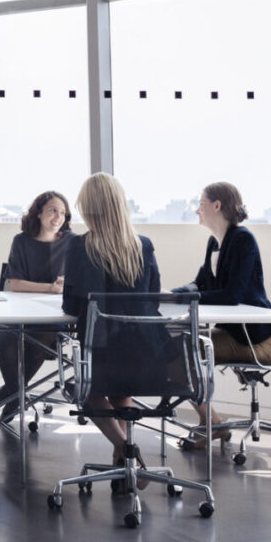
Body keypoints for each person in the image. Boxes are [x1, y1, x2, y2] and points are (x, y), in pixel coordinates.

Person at [61, 173, 164, 473]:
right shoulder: (143, 245)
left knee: (90, 392)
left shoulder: (80, 246)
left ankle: (124, 449)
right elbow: (153, 298)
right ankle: (125, 468)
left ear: (90, 209)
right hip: (145, 352)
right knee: (121, 390)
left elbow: (71, 305)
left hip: (101, 349)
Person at [171, 181, 271, 447]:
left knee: (182, 350)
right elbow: (199, 284)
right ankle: (211, 422)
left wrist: (184, 297)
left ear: (217, 205)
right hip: (235, 333)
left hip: (257, 341)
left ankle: (212, 424)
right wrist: (168, 295)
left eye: (200, 204)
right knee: (175, 343)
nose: (197, 210)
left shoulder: (243, 240)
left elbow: (233, 295)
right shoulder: (215, 242)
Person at [0, 190, 74, 421]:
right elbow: (16, 284)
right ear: (38, 213)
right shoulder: (21, 242)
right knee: (3, 337)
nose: (58, 217)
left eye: (63, 213)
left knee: (42, 337)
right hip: (19, 311)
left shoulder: (72, 242)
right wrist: (50, 287)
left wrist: (68, 282)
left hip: (54, 315)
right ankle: (16, 394)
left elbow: (80, 278)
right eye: (52, 210)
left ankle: (11, 394)